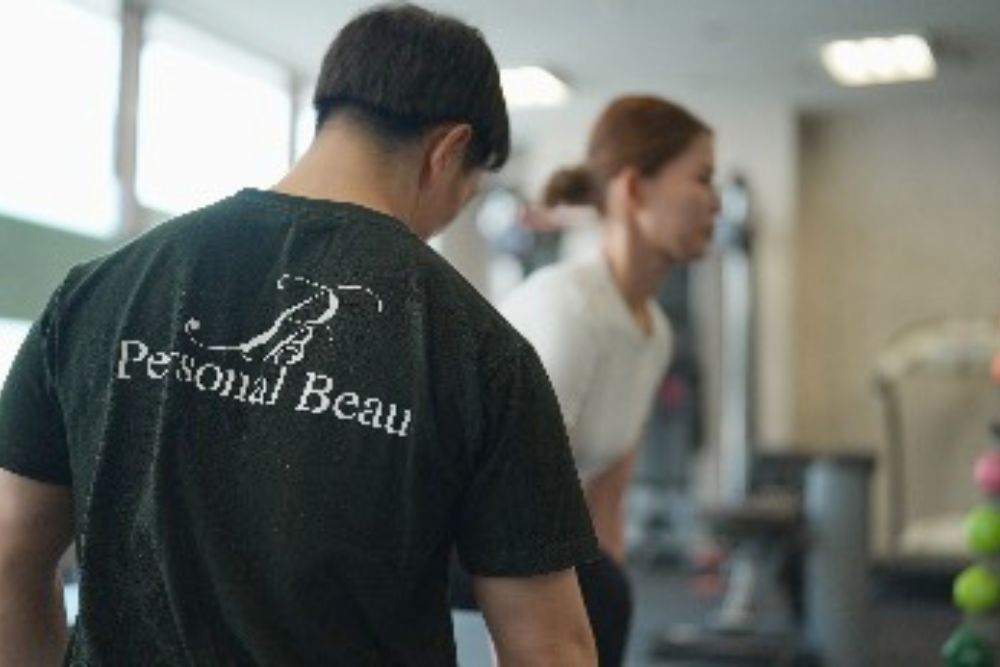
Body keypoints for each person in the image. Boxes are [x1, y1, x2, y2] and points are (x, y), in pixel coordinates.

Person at [0, 4, 600, 665]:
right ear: (448, 150)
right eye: (470, 190)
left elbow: (9, 556)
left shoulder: (96, 292)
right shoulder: (482, 352)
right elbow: (549, 649)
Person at [502, 95, 720, 664]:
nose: (715, 202)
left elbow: (605, 501)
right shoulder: (570, 310)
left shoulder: (654, 333)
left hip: (521, 542)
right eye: (701, 179)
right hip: (440, 541)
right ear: (634, 189)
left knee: (609, 592)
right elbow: (506, 502)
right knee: (599, 594)